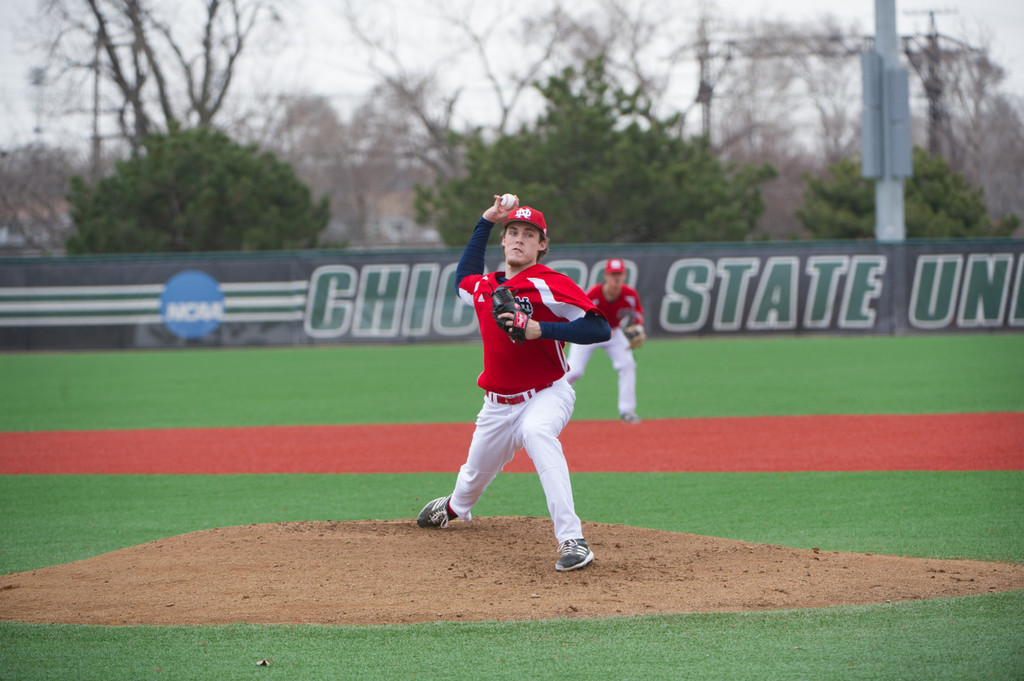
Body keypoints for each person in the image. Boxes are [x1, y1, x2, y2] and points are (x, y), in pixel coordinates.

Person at [416, 194, 611, 572]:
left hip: (546, 393)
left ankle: (572, 539)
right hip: (496, 405)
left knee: (538, 433)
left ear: (542, 245)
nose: (520, 238)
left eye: (529, 234)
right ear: (503, 241)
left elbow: (599, 327)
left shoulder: (550, 284)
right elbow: (462, 279)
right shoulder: (486, 287)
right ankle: (453, 507)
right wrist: (486, 221)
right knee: (471, 481)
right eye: (514, 232)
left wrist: (542, 329)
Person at [565, 258, 645, 423]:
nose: (616, 277)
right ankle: (553, 402)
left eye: (619, 274)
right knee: (573, 371)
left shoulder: (629, 295)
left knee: (628, 364)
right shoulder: (593, 294)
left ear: (624, 276)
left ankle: (627, 411)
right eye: (613, 274)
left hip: (613, 333)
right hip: (588, 333)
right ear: (606, 276)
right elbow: (578, 315)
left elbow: (638, 316)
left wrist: (639, 328)